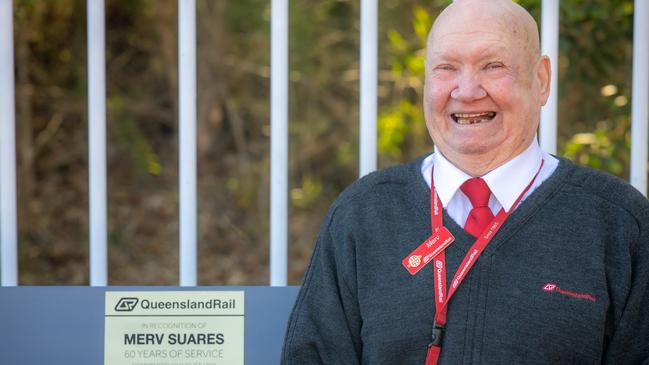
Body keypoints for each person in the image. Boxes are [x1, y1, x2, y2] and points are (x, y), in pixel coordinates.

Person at [281, 0, 649, 364]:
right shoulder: (362, 216)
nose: (467, 90)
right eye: (446, 68)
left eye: (493, 66)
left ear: (541, 80)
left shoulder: (619, 225)